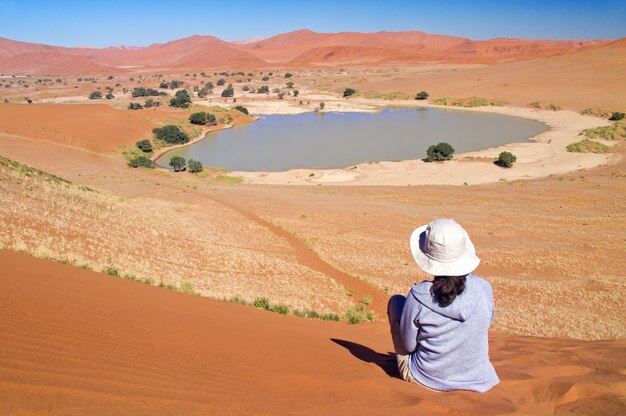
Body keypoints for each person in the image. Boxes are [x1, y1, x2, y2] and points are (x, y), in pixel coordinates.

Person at [388, 218, 499, 393]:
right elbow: (485, 324)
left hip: (426, 378)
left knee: (395, 302)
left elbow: (409, 346)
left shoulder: (418, 296)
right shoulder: (484, 288)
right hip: (479, 379)